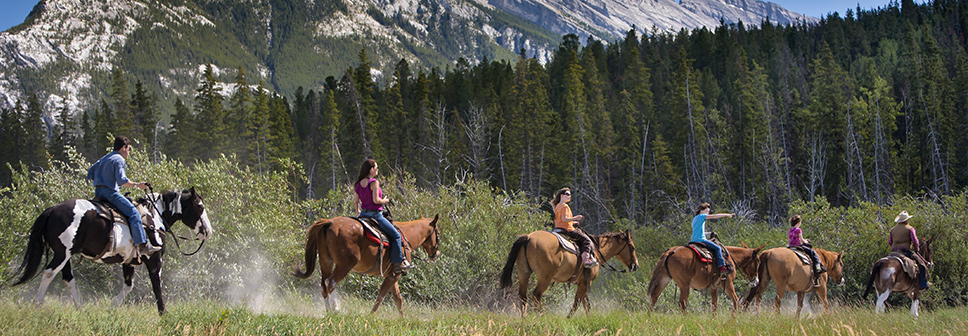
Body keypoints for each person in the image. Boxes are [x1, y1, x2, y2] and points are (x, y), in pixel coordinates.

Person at [86, 136, 160, 257]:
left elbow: (90, 172)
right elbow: (122, 181)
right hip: (110, 194)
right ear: (123, 147)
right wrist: (137, 185)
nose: (129, 152)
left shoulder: (105, 158)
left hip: (98, 193)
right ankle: (142, 245)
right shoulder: (119, 159)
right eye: (129, 149)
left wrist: (102, 179)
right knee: (134, 213)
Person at [354, 159, 412, 274]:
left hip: (363, 215)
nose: (377, 170)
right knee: (396, 236)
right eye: (376, 168)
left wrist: (358, 213)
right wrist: (385, 200)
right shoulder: (374, 182)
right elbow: (376, 200)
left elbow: (356, 201)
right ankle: (398, 263)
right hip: (375, 215)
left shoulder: (358, 184)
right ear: (371, 170)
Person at [552, 187, 597, 268]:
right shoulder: (565, 206)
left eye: (570, 195)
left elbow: (560, 220)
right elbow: (564, 219)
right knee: (587, 241)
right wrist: (576, 218)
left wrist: (572, 222)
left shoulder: (558, 206)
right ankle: (586, 260)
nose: (569, 196)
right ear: (562, 195)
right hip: (567, 229)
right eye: (567, 194)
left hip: (558, 228)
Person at [690, 203, 734, 274]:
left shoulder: (695, 219)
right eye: (706, 211)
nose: (707, 213)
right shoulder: (701, 216)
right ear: (701, 210)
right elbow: (714, 216)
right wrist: (727, 215)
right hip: (701, 240)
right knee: (718, 248)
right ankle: (722, 266)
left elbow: (699, 232)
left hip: (693, 240)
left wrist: (710, 233)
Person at [889, 211, 929, 290]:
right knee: (922, 264)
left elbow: (890, 242)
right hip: (905, 251)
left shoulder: (893, 229)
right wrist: (917, 249)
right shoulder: (910, 229)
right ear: (906, 220)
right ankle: (923, 285)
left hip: (893, 252)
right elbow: (915, 241)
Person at [788, 215, 827, 287]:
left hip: (790, 246)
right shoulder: (798, 230)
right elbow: (801, 240)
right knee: (813, 252)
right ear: (798, 222)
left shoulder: (790, 230)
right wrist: (806, 241)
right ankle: (818, 268)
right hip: (798, 246)